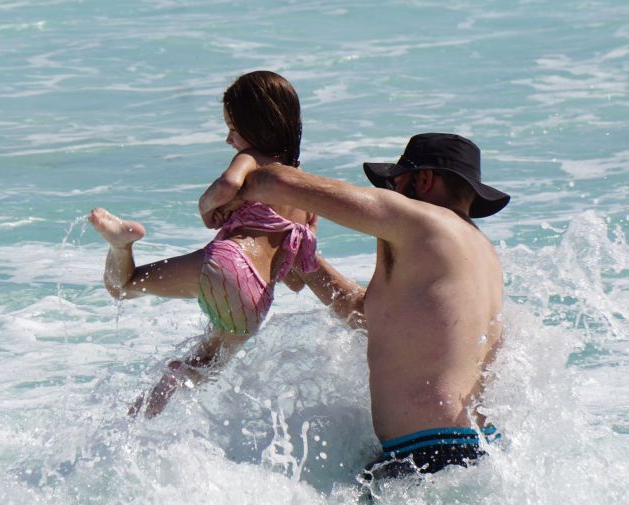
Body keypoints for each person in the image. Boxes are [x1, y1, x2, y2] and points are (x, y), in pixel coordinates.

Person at [211, 133, 510, 480]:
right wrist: (305, 259)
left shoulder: (422, 221)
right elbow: (364, 314)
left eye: (396, 183)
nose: (392, 193)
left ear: (424, 180)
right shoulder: (479, 252)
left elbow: (274, 181)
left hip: (429, 455)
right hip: (473, 453)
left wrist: (231, 183)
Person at [88, 71, 318, 418]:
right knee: (204, 365)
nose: (228, 139)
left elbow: (227, 184)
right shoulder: (305, 192)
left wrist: (206, 208)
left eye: (232, 128)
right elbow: (298, 278)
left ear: (256, 127)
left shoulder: (252, 158)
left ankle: (122, 245)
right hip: (255, 298)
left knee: (124, 286)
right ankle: (142, 415)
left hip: (228, 260)